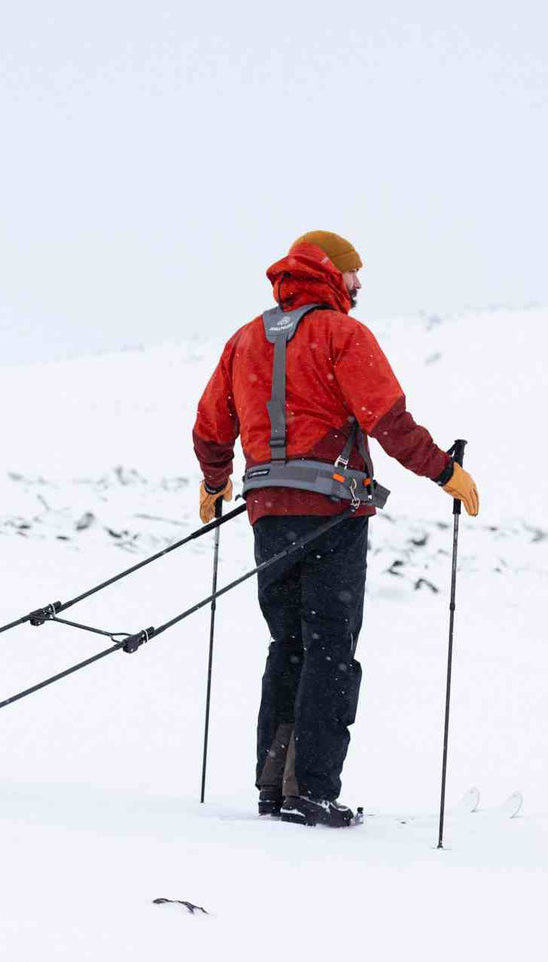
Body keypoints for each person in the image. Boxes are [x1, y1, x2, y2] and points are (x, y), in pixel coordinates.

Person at [192, 231, 479, 827]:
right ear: (329, 273)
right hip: (333, 516)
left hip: (267, 513)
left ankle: (274, 786)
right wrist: (445, 471)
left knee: (286, 645)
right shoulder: (343, 335)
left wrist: (215, 481)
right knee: (330, 650)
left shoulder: (244, 340)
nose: (358, 285)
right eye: (353, 274)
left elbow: (210, 428)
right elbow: (388, 420)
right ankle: (314, 791)